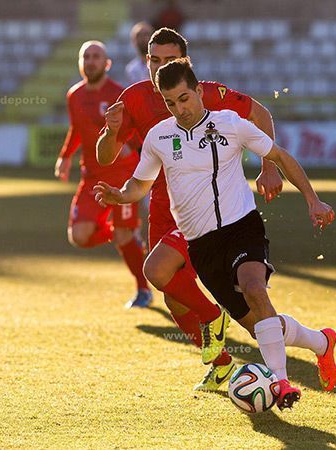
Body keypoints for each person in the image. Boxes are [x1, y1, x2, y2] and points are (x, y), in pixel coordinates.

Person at [94, 58, 336, 410]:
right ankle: (321, 343)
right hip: (201, 245)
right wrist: (120, 195)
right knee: (260, 325)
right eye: (170, 102)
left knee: (255, 288)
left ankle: (281, 384)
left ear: (198, 91)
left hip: (242, 227)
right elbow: (139, 183)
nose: (180, 108)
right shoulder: (159, 138)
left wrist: (313, 200)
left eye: (184, 98)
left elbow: (280, 156)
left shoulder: (230, 124)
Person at [96, 28, 283, 391]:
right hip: (162, 206)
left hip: (207, 208)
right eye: (154, 60)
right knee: (173, 297)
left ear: (186, 63)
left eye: (170, 60)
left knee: (164, 272)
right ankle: (224, 363)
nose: (160, 66)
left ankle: (221, 322)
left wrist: (269, 166)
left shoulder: (207, 93)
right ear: (146, 60)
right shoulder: (133, 98)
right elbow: (107, 157)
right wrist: (110, 130)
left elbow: (260, 113)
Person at [54, 41, 152, 308]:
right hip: (91, 178)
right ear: (80, 62)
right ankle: (127, 237)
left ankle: (143, 290)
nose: (91, 61)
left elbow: (141, 130)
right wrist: (65, 156)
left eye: (96, 57)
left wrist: (129, 147)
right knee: (80, 236)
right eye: (86, 56)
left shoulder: (120, 94)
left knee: (123, 236)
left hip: (122, 178)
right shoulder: (74, 95)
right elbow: (77, 129)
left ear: (107, 63)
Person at [125, 22, 154, 87]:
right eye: (139, 35)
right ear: (133, 40)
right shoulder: (131, 68)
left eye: (146, 34)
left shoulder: (160, 64)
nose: (143, 38)